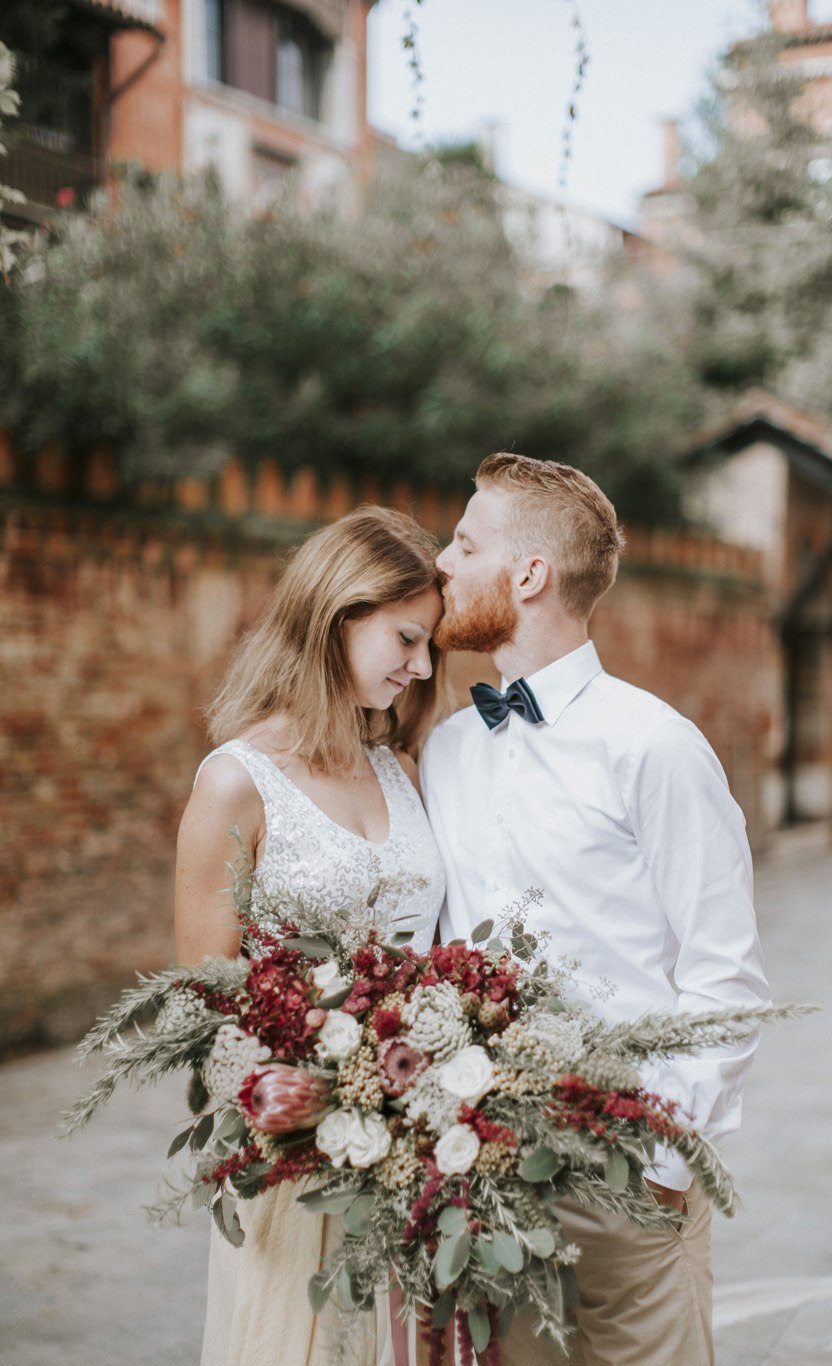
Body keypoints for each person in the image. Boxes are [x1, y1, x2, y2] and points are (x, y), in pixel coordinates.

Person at [419, 452, 771, 1366]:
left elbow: (722, 971)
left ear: (528, 574)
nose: (440, 564)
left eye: (462, 543)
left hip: (626, 1173)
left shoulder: (652, 747)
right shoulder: (450, 748)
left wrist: (656, 1161)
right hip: (487, 1171)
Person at [175, 506, 447, 1366]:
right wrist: (321, 1110)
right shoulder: (234, 785)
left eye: (430, 643)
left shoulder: (397, 769)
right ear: (340, 613)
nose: (423, 665)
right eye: (407, 638)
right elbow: (205, 1005)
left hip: (425, 1147)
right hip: (299, 1159)